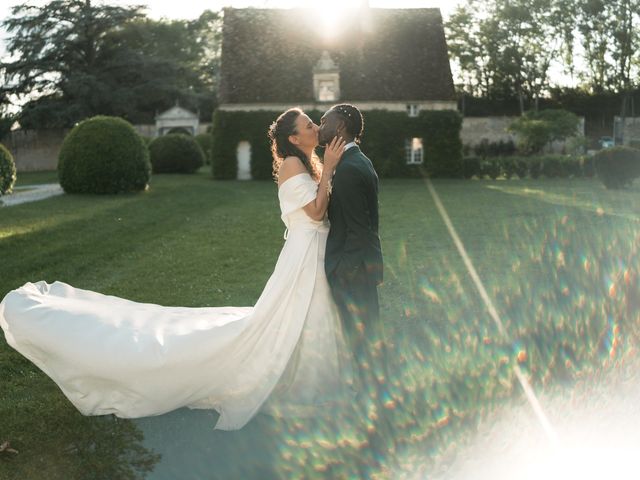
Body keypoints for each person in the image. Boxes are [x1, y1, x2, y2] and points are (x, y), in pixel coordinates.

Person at [0, 107, 354, 431]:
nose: (317, 127)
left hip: (311, 251)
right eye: (309, 125)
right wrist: (333, 166)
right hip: (304, 253)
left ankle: (307, 377)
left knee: (304, 317)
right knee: (290, 318)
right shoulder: (294, 166)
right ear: (294, 138)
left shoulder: (309, 164)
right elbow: (316, 212)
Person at [317, 104, 384, 377]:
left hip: (353, 272)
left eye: (324, 121)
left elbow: (359, 230)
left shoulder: (348, 169)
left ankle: (373, 396)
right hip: (362, 267)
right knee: (367, 336)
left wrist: (341, 272)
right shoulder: (358, 161)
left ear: (340, 126)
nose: (320, 127)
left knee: (360, 338)